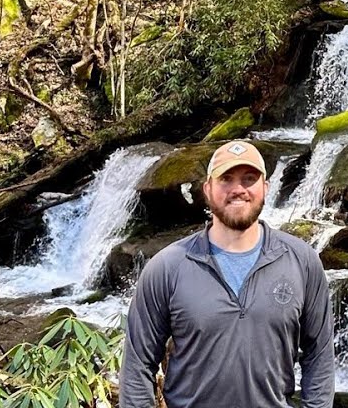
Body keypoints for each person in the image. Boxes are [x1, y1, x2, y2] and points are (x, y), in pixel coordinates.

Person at [118, 139, 336, 408]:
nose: (238, 189)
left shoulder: (301, 261)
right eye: (226, 179)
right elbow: (137, 365)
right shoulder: (168, 267)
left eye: (249, 178)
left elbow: (320, 355)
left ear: (265, 188)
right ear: (207, 189)